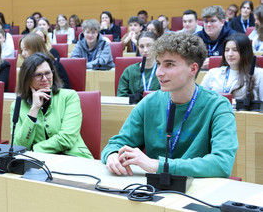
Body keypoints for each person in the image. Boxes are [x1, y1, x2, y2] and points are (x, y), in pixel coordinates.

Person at [101, 32, 237, 178]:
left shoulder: (218, 106)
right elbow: (116, 144)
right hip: (154, 190)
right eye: (159, 64)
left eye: (169, 64)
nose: (159, 72)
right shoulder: (149, 102)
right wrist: (113, 155)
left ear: (193, 69)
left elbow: (222, 164)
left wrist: (158, 166)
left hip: (198, 190)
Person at [10, 52, 92, 158]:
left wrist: (34, 149)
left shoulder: (69, 97)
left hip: (73, 157)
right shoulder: (17, 105)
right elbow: (18, 146)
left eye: (48, 73)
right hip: (38, 163)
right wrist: (34, 109)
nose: (45, 79)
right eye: (38, 75)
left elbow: (66, 139)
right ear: (27, 79)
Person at [201, 33, 263, 100]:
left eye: (235, 50)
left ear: (245, 52)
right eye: (227, 50)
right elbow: (201, 99)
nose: (230, 54)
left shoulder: (259, 74)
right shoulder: (213, 73)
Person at [117, 32, 160, 97]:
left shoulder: (164, 70)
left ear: (156, 46)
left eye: (149, 45)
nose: (145, 50)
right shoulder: (129, 71)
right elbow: (121, 97)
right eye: (142, 46)